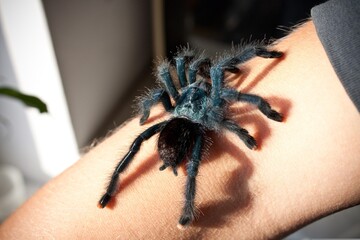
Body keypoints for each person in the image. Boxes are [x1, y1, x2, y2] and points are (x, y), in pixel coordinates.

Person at [0, 1, 359, 239]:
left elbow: (169, 81)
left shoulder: (176, 98)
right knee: (210, 86)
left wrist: (150, 116)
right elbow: (220, 88)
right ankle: (182, 205)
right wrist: (256, 116)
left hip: (180, 121)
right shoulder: (208, 98)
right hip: (191, 125)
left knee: (145, 139)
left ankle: (125, 190)